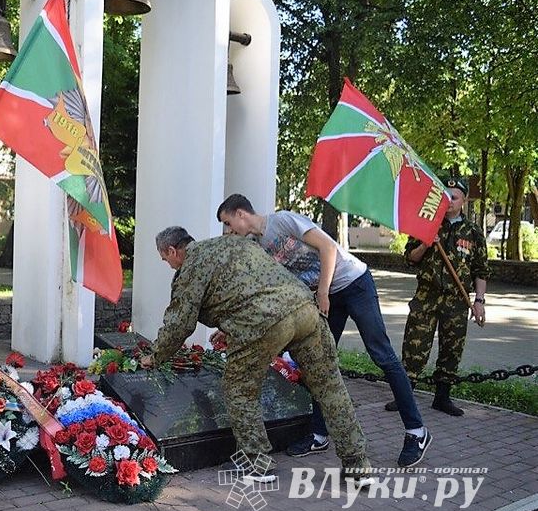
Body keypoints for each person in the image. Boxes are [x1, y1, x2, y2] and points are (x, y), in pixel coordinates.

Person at [139, 227, 374, 486]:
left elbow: (180, 323)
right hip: (305, 310)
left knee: (239, 390)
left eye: (166, 259)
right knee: (330, 388)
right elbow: (252, 288)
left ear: (173, 251)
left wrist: (156, 355)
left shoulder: (192, 266)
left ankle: (258, 464)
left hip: (263, 324)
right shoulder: (233, 244)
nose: (169, 265)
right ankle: (358, 465)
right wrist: (229, 326)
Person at [216, 194, 431, 468]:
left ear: (240, 214)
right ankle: (319, 434)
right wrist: (231, 328)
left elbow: (328, 247)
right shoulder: (258, 246)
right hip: (327, 297)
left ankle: (416, 431)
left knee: (382, 355)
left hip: (354, 284)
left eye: (228, 223)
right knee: (318, 363)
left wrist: (323, 292)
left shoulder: (283, 221)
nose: (229, 230)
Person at [390, 178, 488, 416]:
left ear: (464, 200)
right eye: (445, 197)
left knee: (451, 350)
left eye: (454, 197)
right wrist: (425, 244)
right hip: (426, 297)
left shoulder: (473, 233)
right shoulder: (427, 224)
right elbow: (410, 258)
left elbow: (481, 271)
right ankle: (405, 396)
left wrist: (479, 301)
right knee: (414, 348)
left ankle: (442, 398)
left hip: (456, 302)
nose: (449, 202)